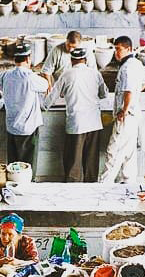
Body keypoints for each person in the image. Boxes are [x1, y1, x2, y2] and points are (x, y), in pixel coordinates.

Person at [44, 47, 107, 182]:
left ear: (71, 60)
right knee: (91, 164)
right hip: (94, 123)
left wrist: (42, 106)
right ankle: (91, 191)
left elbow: (52, 97)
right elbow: (104, 94)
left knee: (73, 164)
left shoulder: (67, 74)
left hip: (76, 124)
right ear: (85, 60)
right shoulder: (95, 74)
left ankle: (73, 194)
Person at [99, 36, 145, 186]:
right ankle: (128, 183)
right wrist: (136, 93)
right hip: (133, 115)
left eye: (119, 49)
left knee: (114, 151)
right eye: (115, 49)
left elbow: (128, 91)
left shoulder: (128, 67)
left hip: (126, 116)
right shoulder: (137, 63)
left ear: (128, 49)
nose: (116, 52)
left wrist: (125, 109)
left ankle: (105, 185)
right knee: (129, 153)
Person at [0, 42, 49, 172]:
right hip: (28, 128)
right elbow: (45, 85)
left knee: (13, 166)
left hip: (12, 127)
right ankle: (27, 188)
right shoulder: (30, 77)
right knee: (27, 168)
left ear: (14, 59)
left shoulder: (6, 75)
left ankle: (13, 188)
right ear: (28, 59)